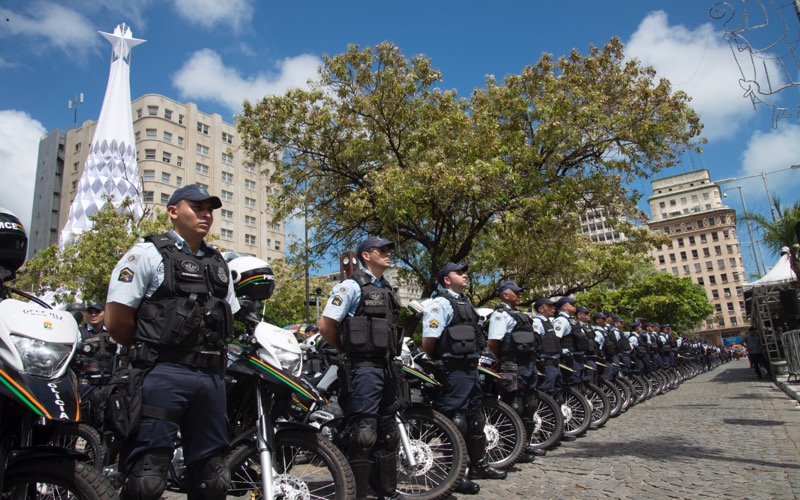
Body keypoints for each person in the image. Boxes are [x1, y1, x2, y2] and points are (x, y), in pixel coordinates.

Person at [106, 185, 239, 500]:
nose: (206, 213)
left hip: (210, 378)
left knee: (214, 478)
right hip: (162, 373)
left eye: (210, 208)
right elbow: (116, 321)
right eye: (197, 206)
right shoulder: (148, 253)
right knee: (147, 478)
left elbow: (229, 315)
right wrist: (149, 352)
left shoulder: (219, 264)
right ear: (173, 211)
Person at [318, 236, 402, 499]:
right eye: (383, 250)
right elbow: (326, 326)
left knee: (387, 433)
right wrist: (345, 349)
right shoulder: (350, 287)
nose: (389, 254)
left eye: (390, 250)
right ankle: (358, 493)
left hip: (387, 368)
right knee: (363, 433)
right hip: (363, 369)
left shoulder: (386, 289)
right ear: (366, 255)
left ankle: (385, 492)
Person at [420, 262, 506, 495]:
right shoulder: (439, 303)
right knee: (455, 419)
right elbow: (429, 340)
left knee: (475, 418)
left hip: (470, 368)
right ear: (447, 279)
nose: (464, 275)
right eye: (459, 272)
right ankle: (454, 475)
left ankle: (478, 465)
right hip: (453, 368)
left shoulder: (465, 303)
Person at [487, 280, 545, 463]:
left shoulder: (522, 315)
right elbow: (493, 342)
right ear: (505, 294)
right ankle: (512, 446)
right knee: (514, 403)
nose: (519, 295)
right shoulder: (500, 315)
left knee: (530, 404)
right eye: (516, 292)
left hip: (528, 364)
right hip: (510, 364)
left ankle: (525, 445)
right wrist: (498, 361)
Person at [73, 302, 117, 397]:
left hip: (109, 383)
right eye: (90, 312)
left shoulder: (112, 332)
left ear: (105, 313)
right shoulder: (79, 332)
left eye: (97, 311)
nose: (93, 314)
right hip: (86, 384)